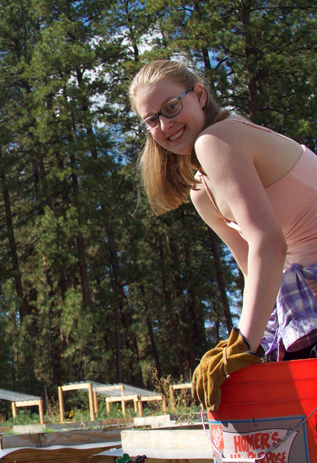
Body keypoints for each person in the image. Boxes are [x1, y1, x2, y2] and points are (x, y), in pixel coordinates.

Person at [129, 60, 317, 410]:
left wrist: (244, 345)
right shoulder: (201, 190)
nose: (165, 125)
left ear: (199, 95)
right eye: (152, 120)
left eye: (171, 108)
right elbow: (254, 271)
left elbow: (270, 244)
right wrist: (248, 344)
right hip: (302, 296)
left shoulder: (218, 140)